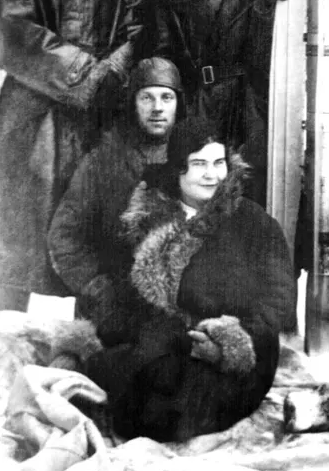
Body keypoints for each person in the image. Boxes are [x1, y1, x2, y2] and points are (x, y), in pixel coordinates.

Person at [83, 117, 295, 442]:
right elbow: (122, 296)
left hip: (236, 358)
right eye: (199, 164)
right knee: (124, 383)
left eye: (218, 163)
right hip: (164, 345)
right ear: (178, 169)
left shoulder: (255, 223)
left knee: (171, 408)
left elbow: (278, 301)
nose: (212, 175)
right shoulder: (146, 220)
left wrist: (228, 342)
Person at [0, 0, 140, 309]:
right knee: (19, 227)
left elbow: (138, 27)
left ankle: (95, 332)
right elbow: (11, 31)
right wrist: (83, 73)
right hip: (33, 109)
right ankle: (7, 331)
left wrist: (114, 69)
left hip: (101, 109)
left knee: (96, 222)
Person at [148, 0, 292, 205]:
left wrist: (266, 7)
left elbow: (277, 44)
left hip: (246, 101)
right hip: (195, 98)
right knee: (196, 185)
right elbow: (162, 45)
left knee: (249, 186)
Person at [48, 57, 182, 338]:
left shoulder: (198, 162)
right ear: (132, 103)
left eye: (166, 97)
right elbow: (63, 236)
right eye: (147, 97)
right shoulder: (102, 162)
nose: (157, 108)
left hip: (181, 307)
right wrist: (96, 286)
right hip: (118, 308)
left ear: (178, 104)